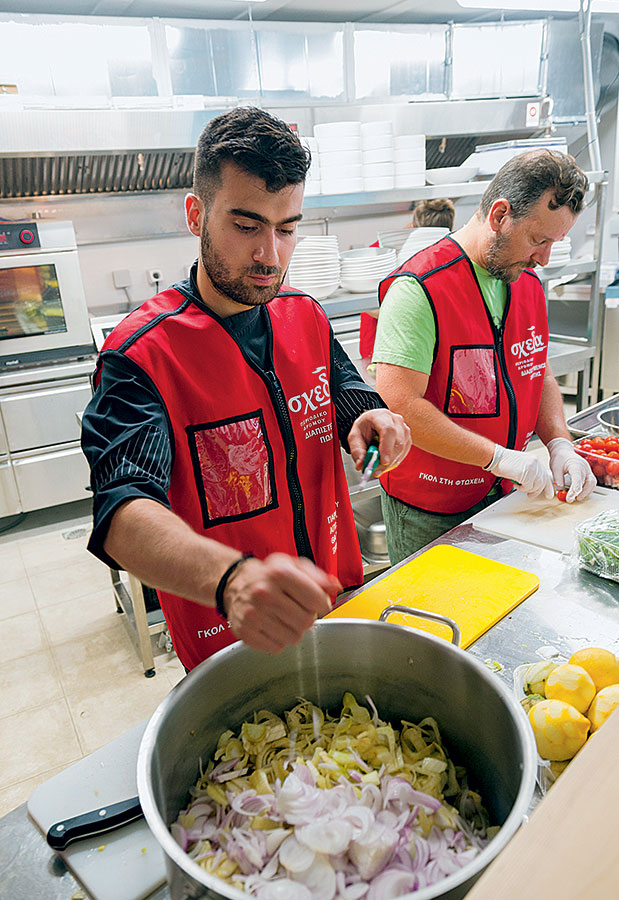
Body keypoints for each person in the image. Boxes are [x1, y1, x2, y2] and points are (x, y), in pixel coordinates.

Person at [81, 106, 411, 670]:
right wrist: (230, 580)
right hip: (232, 633)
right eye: (246, 226)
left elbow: (346, 394)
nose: (270, 255)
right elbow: (122, 513)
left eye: (287, 229)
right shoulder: (143, 355)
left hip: (335, 593)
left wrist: (372, 418)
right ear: (196, 215)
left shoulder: (305, 314)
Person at [373, 149, 597, 565]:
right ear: (500, 216)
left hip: (505, 495)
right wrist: (497, 458)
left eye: (555, 243)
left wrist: (559, 442)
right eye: (539, 240)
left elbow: (537, 370)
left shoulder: (525, 280)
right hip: (431, 509)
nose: (544, 259)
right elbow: (400, 405)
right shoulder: (419, 288)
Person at [358, 199, 455, 359]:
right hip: (379, 344)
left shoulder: (448, 253)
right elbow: (365, 301)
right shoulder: (382, 251)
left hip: (423, 343)